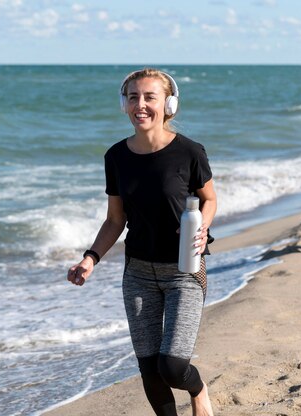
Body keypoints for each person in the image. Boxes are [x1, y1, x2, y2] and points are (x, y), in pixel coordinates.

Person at [67, 68, 217, 416]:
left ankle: (199, 390)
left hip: (184, 270)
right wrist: (90, 259)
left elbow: (209, 200)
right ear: (124, 104)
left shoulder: (190, 152)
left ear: (168, 104)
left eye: (150, 97)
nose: (141, 105)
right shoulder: (116, 157)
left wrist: (202, 227)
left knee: (173, 366)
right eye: (133, 97)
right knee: (150, 368)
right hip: (137, 272)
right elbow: (115, 219)